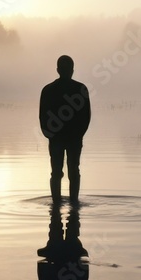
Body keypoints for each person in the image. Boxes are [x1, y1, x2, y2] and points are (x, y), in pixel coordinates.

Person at [39, 54, 91, 204]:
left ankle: (56, 204)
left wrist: (49, 134)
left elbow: (43, 116)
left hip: (57, 138)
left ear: (58, 70)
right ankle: (74, 203)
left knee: (56, 172)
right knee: (74, 171)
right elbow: (86, 117)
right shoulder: (81, 89)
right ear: (72, 70)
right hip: (72, 138)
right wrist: (79, 135)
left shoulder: (48, 90)